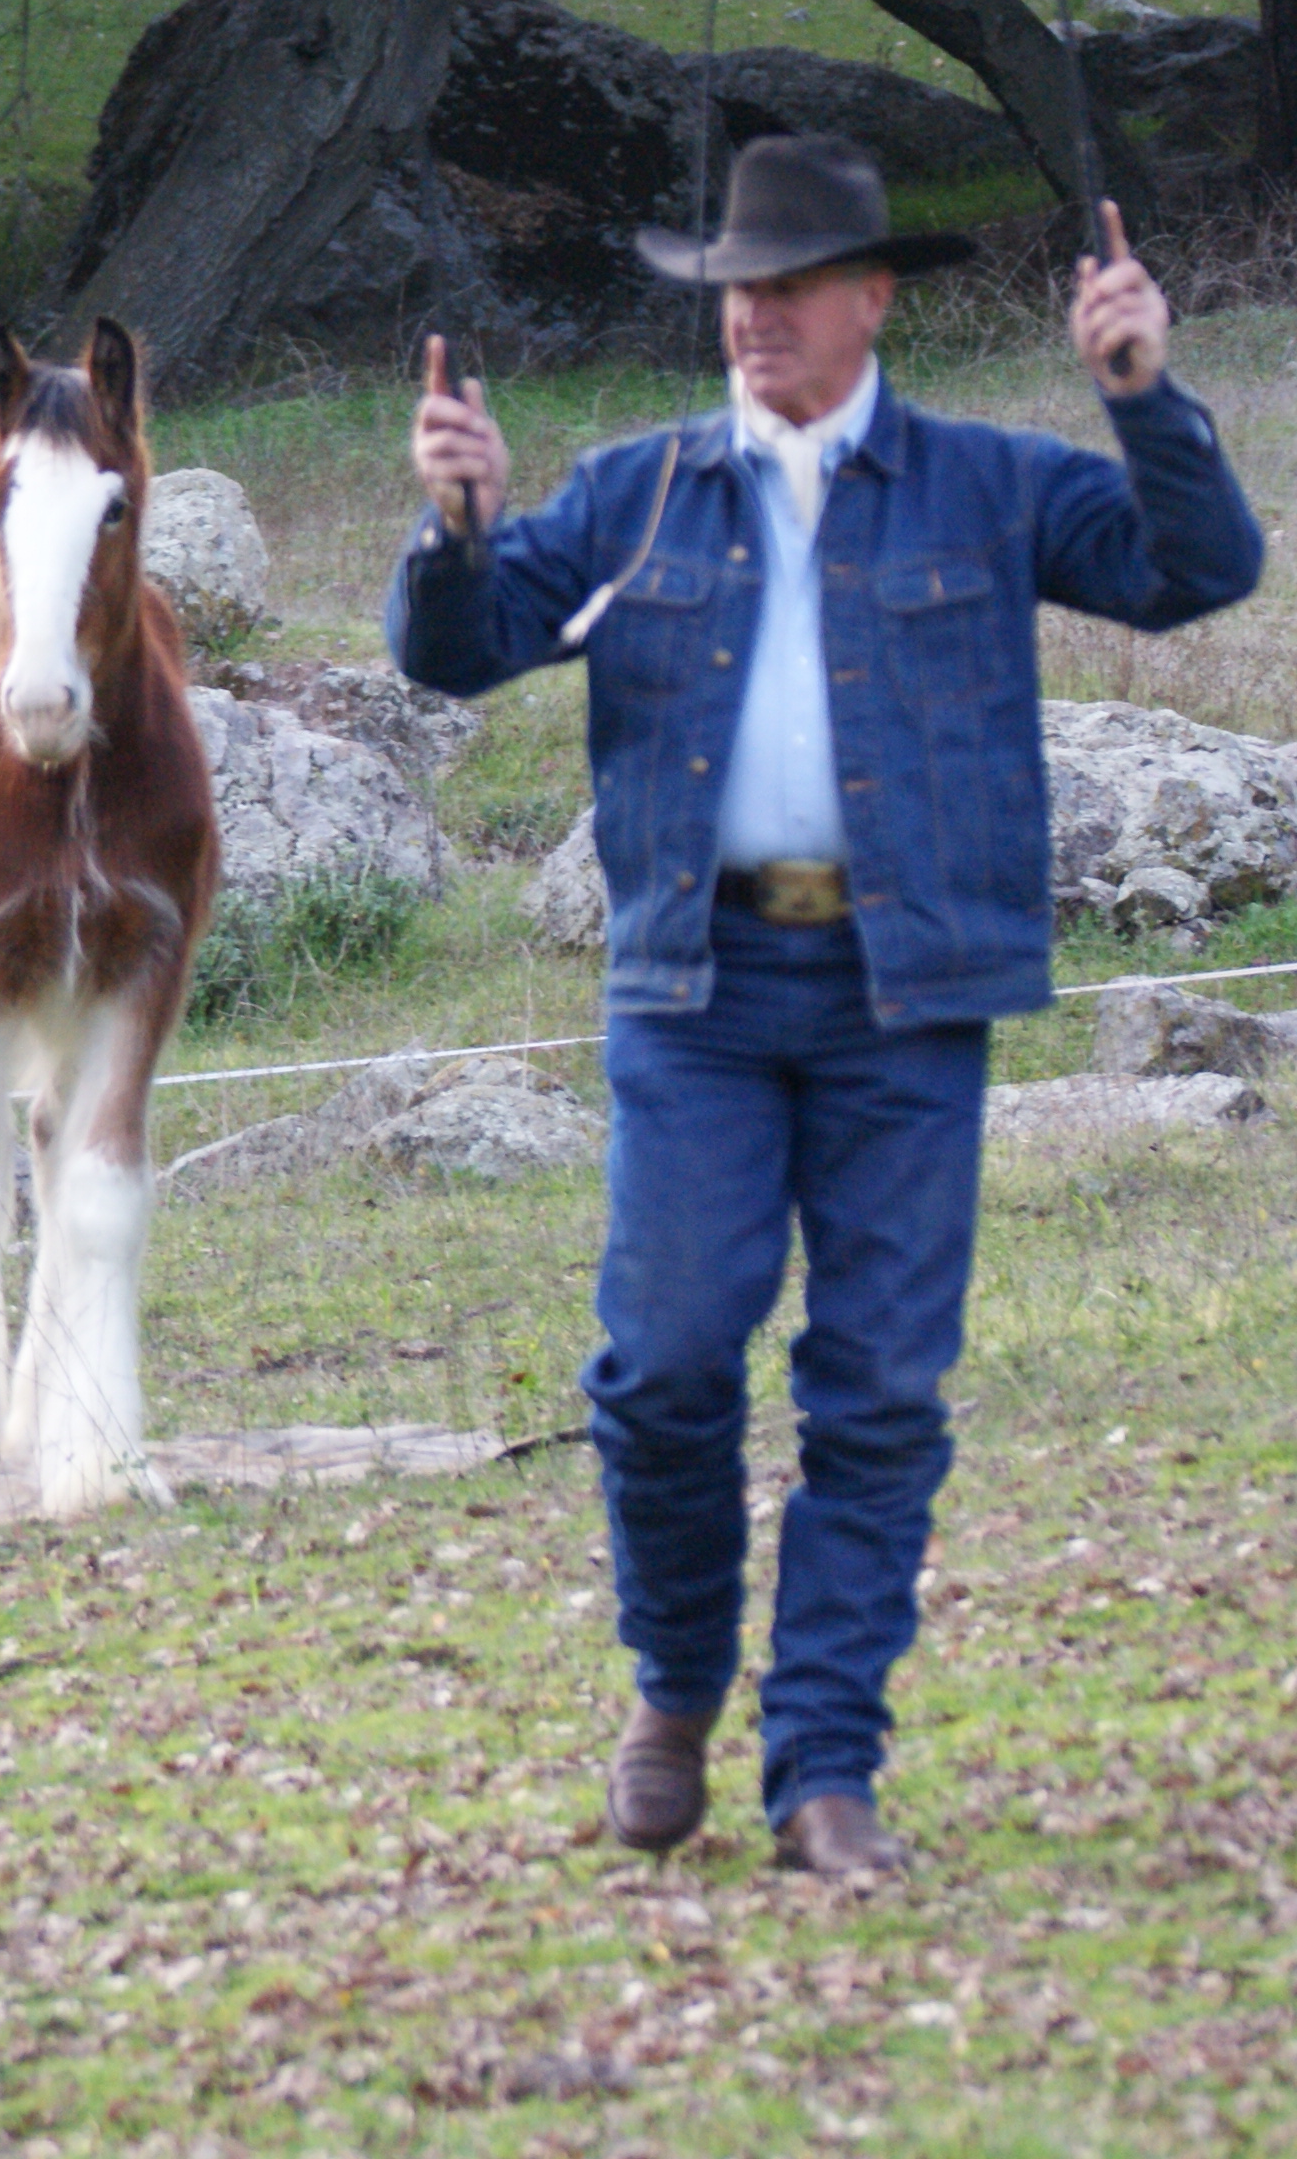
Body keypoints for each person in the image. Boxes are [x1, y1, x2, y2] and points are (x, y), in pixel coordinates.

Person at [388, 136, 1259, 1878]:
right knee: (661, 1366)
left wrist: (1144, 393)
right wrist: (457, 528)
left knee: (874, 1391)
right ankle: (672, 1689)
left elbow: (1198, 568)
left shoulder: (986, 484)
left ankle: (823, 1774)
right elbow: (458, 651)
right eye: (731, 288)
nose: (750, 316)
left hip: (907, 991)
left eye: (783, 285)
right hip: (696, 991)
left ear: (872, 297)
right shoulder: (638, 491)